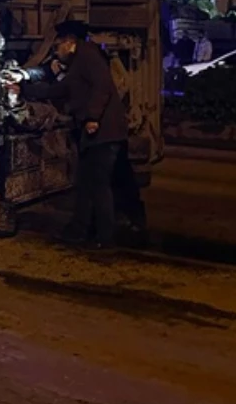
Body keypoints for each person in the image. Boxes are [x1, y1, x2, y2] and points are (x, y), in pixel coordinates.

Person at [8, 20, 142, 248]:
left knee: (96, 183)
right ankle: (87, 229)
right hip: (105, 131)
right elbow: (59, 89)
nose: (56, 51)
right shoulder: (81, 60)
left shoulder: (88, 57)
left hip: (102, 131)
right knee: (98, 181)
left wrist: (92, 117)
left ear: (70, 43)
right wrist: (24, 88)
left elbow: (102, 87)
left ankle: (103, 236)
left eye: (58, 45)